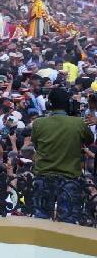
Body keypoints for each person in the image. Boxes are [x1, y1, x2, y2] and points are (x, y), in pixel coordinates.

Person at [29, 86, 93, 224]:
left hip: (43, 176)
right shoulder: (79, 123)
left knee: (41, 219)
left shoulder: (39, 123)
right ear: (68, 104)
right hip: (69, 178)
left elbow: (35, 144)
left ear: (49, 104)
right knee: (68, 221)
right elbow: (90, 140)